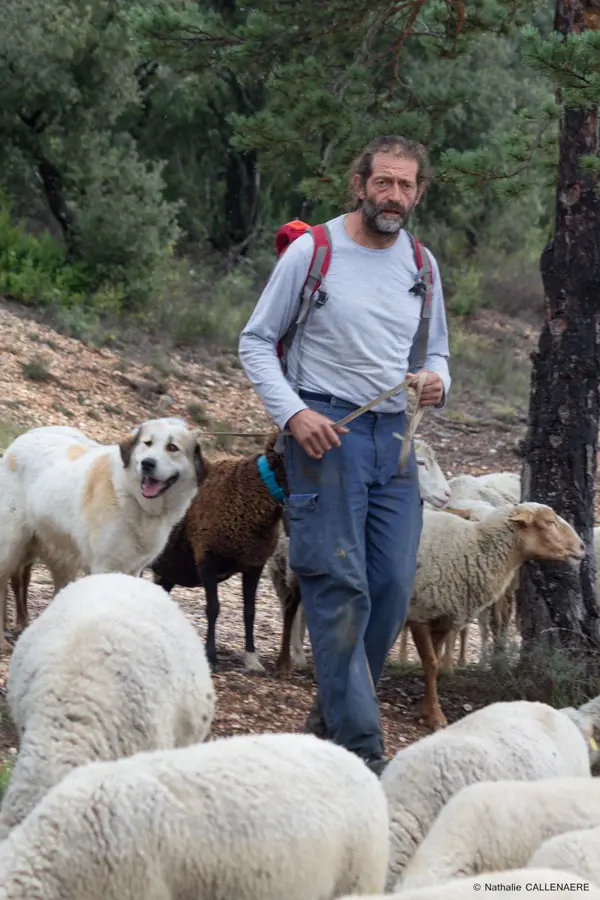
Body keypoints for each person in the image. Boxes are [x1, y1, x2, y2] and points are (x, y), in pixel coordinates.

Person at [238, 135, 451, 775]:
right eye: (382, 182)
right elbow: (255, 341)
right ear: (360, 185)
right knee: (338, 587)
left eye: (405, 185)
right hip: (324, 432)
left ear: (419, 192)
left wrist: (438, 380)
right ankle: (361, 753)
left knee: (389, 586)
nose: (393, 196)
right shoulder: (314, 251)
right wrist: (295, 413)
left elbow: (433, 350)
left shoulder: (422, 263)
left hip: (397, 438)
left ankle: (330, 722)